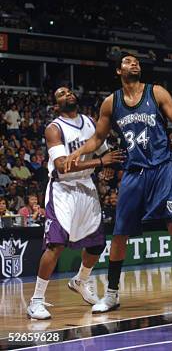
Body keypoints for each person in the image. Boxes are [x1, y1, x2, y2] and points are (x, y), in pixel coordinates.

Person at [65, 54, 172, 315]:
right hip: (134, 172)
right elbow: (97, 137)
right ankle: (113, 293)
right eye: (128, 61)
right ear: (119, 70)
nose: (134, 63)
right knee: (120, 233)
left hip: (162, 168)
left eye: (136, 61)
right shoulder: (111, 103)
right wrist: (79, 151)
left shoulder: (156, 92)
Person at [26, 86, 123, 320]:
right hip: (62, 189)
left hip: (86, 187)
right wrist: (100, 162)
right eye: (60, 94)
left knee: (96, 244)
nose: (67, 94)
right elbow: (62, 165)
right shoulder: (54, 129)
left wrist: (107, 166)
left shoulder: (90, 122)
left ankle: (81, 280)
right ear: (56, 105)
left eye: (69, 91)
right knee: (55, 245)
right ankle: (36, 301)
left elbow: (104, 151)